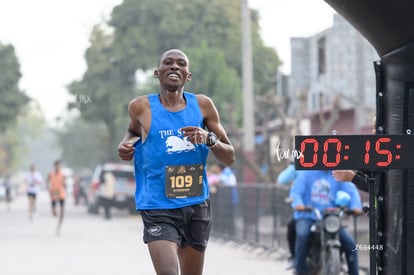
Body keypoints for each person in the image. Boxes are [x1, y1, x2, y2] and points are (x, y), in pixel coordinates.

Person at [117, 49, 235, 275]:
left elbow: (229, 156)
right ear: (157, 73)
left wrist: (208, 138)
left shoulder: (203, 105)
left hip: (196, 204)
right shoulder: (141, 107)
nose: (174, 67)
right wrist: (126, 145)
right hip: (158, 204)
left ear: (188, 75)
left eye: (181, 64)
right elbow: (131, 132)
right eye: (168, 63)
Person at [289, 170, 363, 275]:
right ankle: (300, 270)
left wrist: (356, 207)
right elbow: (295, 192)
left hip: (330, 218)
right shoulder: (306, 174)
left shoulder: (337, 174)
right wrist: (299, 204)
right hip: (307, 216)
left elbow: (352, 192)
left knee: (350, 244)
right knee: (302, 234)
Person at [47, 160, 66, 235]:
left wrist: (64, 185)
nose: (58, 167)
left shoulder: (63, 174)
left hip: (61, 193)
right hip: (54, 192)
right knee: (54, 213)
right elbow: (47, 181)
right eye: (57, 165)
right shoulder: (51, 174)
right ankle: (55, 212)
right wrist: (49, 188)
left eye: (59, 165)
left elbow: (65, 185)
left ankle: (59, 227)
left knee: (62, 213)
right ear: (55, 166)